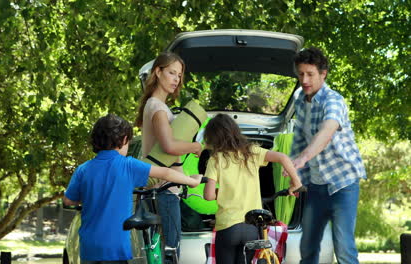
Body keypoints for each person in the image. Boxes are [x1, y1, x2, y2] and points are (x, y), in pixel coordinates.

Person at [63, 114, 202, 264]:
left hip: (89, 248)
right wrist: (192, 181)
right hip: (115, 249)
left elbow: (68, 200)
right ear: (123, 140)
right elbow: (166, 172)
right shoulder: (128, 165)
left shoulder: (83, 169)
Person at [290, 47, 367, 264]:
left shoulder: (333, 100)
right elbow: (299, 137)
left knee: (343, 247)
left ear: (323, 74)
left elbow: (326, 133)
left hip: (343, 183)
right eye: (301, 73)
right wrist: (296, 176)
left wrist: (303, 158)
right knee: (308, 247)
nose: (304, 79)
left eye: (310, 74)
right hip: (316, 184)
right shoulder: (299, 98)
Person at [202, 113, 303, 264]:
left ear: (213, 138)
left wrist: (222, 192)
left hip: (227, 228)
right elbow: (283, 157)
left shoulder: (215, 159)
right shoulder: (252, 151)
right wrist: (296, 183)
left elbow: (208, 195)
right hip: (252, 228)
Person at [135, 52, 202, 255]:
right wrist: (195, 147)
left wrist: (184, 177)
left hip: (163, 189)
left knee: (163, 251)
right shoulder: (158, 108)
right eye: (172, 73)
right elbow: (169, 147)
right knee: (170, 252)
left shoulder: (155, 106)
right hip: (163, 191)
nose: (176, 79)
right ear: (158, 71)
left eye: (179, 75)